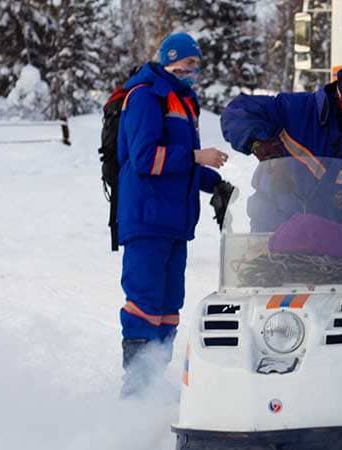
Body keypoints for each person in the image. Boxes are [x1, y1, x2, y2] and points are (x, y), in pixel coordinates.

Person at [116, 32, 233, 397]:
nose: (192, 71)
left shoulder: (183, 101)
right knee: (144, 304)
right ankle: (135, 390)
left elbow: (180, 165)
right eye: (187, 63)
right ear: (170, 59)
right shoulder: (146, 95)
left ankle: (152, 380)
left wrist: (214, 183)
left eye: (196, 65)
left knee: (169, 308)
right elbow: (146, 158)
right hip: (147, 219)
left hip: (174, 223)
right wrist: (198, 158)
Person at [220, 59, 342, 222]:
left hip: (338, 241)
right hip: (273, 227)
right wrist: (258, 142)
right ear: (340, 99)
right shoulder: (298, 111)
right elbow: (236, 112)